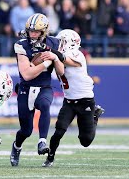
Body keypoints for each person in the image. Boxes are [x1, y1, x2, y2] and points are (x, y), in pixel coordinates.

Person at [41, 29, 104, 167]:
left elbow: (67, 60)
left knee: (85, 141)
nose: (59, 44)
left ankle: (95, 117)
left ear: (70, 42)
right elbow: (56, 66)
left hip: (85, 100)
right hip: (69, 101)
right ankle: (50, 158)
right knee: (59, 131)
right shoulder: (57, 56)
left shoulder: (78, 54)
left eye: (62, 41)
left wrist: (52, 52)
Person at [10, 13, 65, 167]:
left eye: (36, 31)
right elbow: (26, 75)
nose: (32, 34)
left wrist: (54, 58)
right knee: (26, 131)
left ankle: (42, 141)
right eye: (30, 31)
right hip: (26, 89)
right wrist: (46, 64)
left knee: (45, 105)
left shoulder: (54, 43)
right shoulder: (21, 44)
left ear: (44, 31)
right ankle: (17, 146)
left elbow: (61, 72)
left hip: (44, 87)